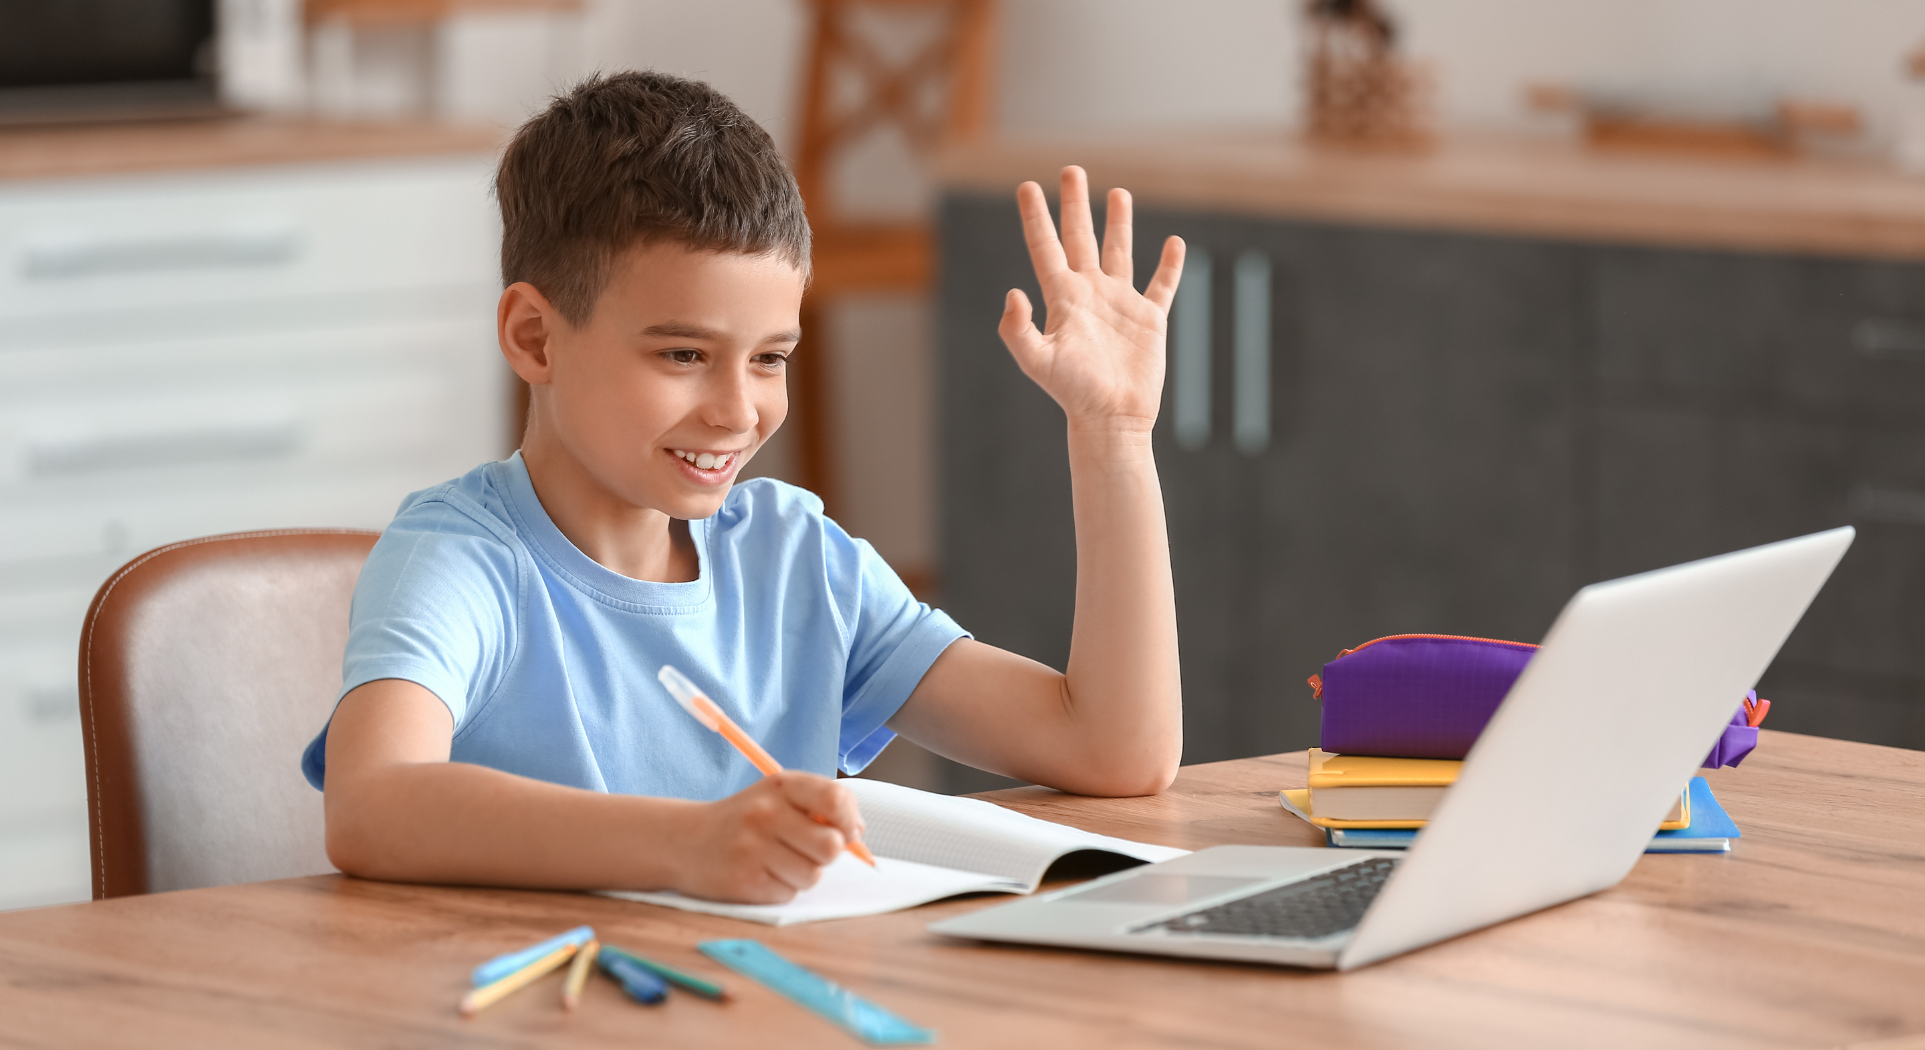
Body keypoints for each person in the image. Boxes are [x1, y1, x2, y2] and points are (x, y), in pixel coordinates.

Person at [307, 70, 1185, 904]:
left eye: (769, 359)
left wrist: (1113, 438)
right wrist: (688, 845)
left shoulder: (794, 558)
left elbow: (1111, 751)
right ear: (536, 337)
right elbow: (371, 805)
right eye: (683, 354)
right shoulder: (461, 559)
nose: (737, 411)